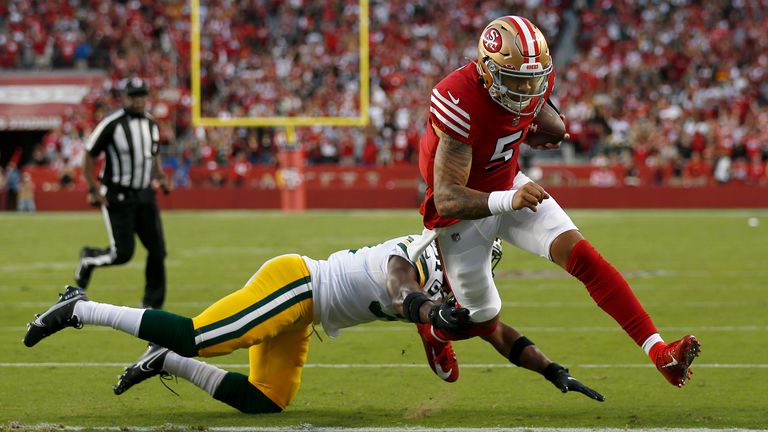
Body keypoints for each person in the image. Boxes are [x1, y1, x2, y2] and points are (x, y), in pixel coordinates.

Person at [413, 15, 700, 388]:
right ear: (486, 71)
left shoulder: (533, 80)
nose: (528, 90)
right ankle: (433, 335)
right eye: (516, 81)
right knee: (481, 319)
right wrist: (508, 199)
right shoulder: (458, 99)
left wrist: (554, 126)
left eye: (533, 79)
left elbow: (537, 108)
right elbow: (449, 198)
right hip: (464, 212)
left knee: (583, 257)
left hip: (509, 185)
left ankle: (661, 353)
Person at [23, 235, 603, 414]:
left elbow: (499, 333)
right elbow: (402, 285)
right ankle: (80, 307)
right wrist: (427, 313)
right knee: (209, 336)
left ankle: (164, 361)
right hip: (297, 285)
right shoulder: (415, 254)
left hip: (311, 316)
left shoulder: (453, 283)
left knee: (266, 400)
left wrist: (554, 371)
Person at [74, 77, 173, 309]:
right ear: (125, 98)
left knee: (158, 250)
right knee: (123, 254)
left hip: (145, 193)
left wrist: (160, 177)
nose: (138, 101)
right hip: (118, 195)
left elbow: (153, 154)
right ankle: (89, 258)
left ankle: (152, 304)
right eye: (133, 96)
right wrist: (92, 187)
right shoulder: (112, 124)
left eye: (142, 96)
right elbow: (89, 154)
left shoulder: (151, 124)